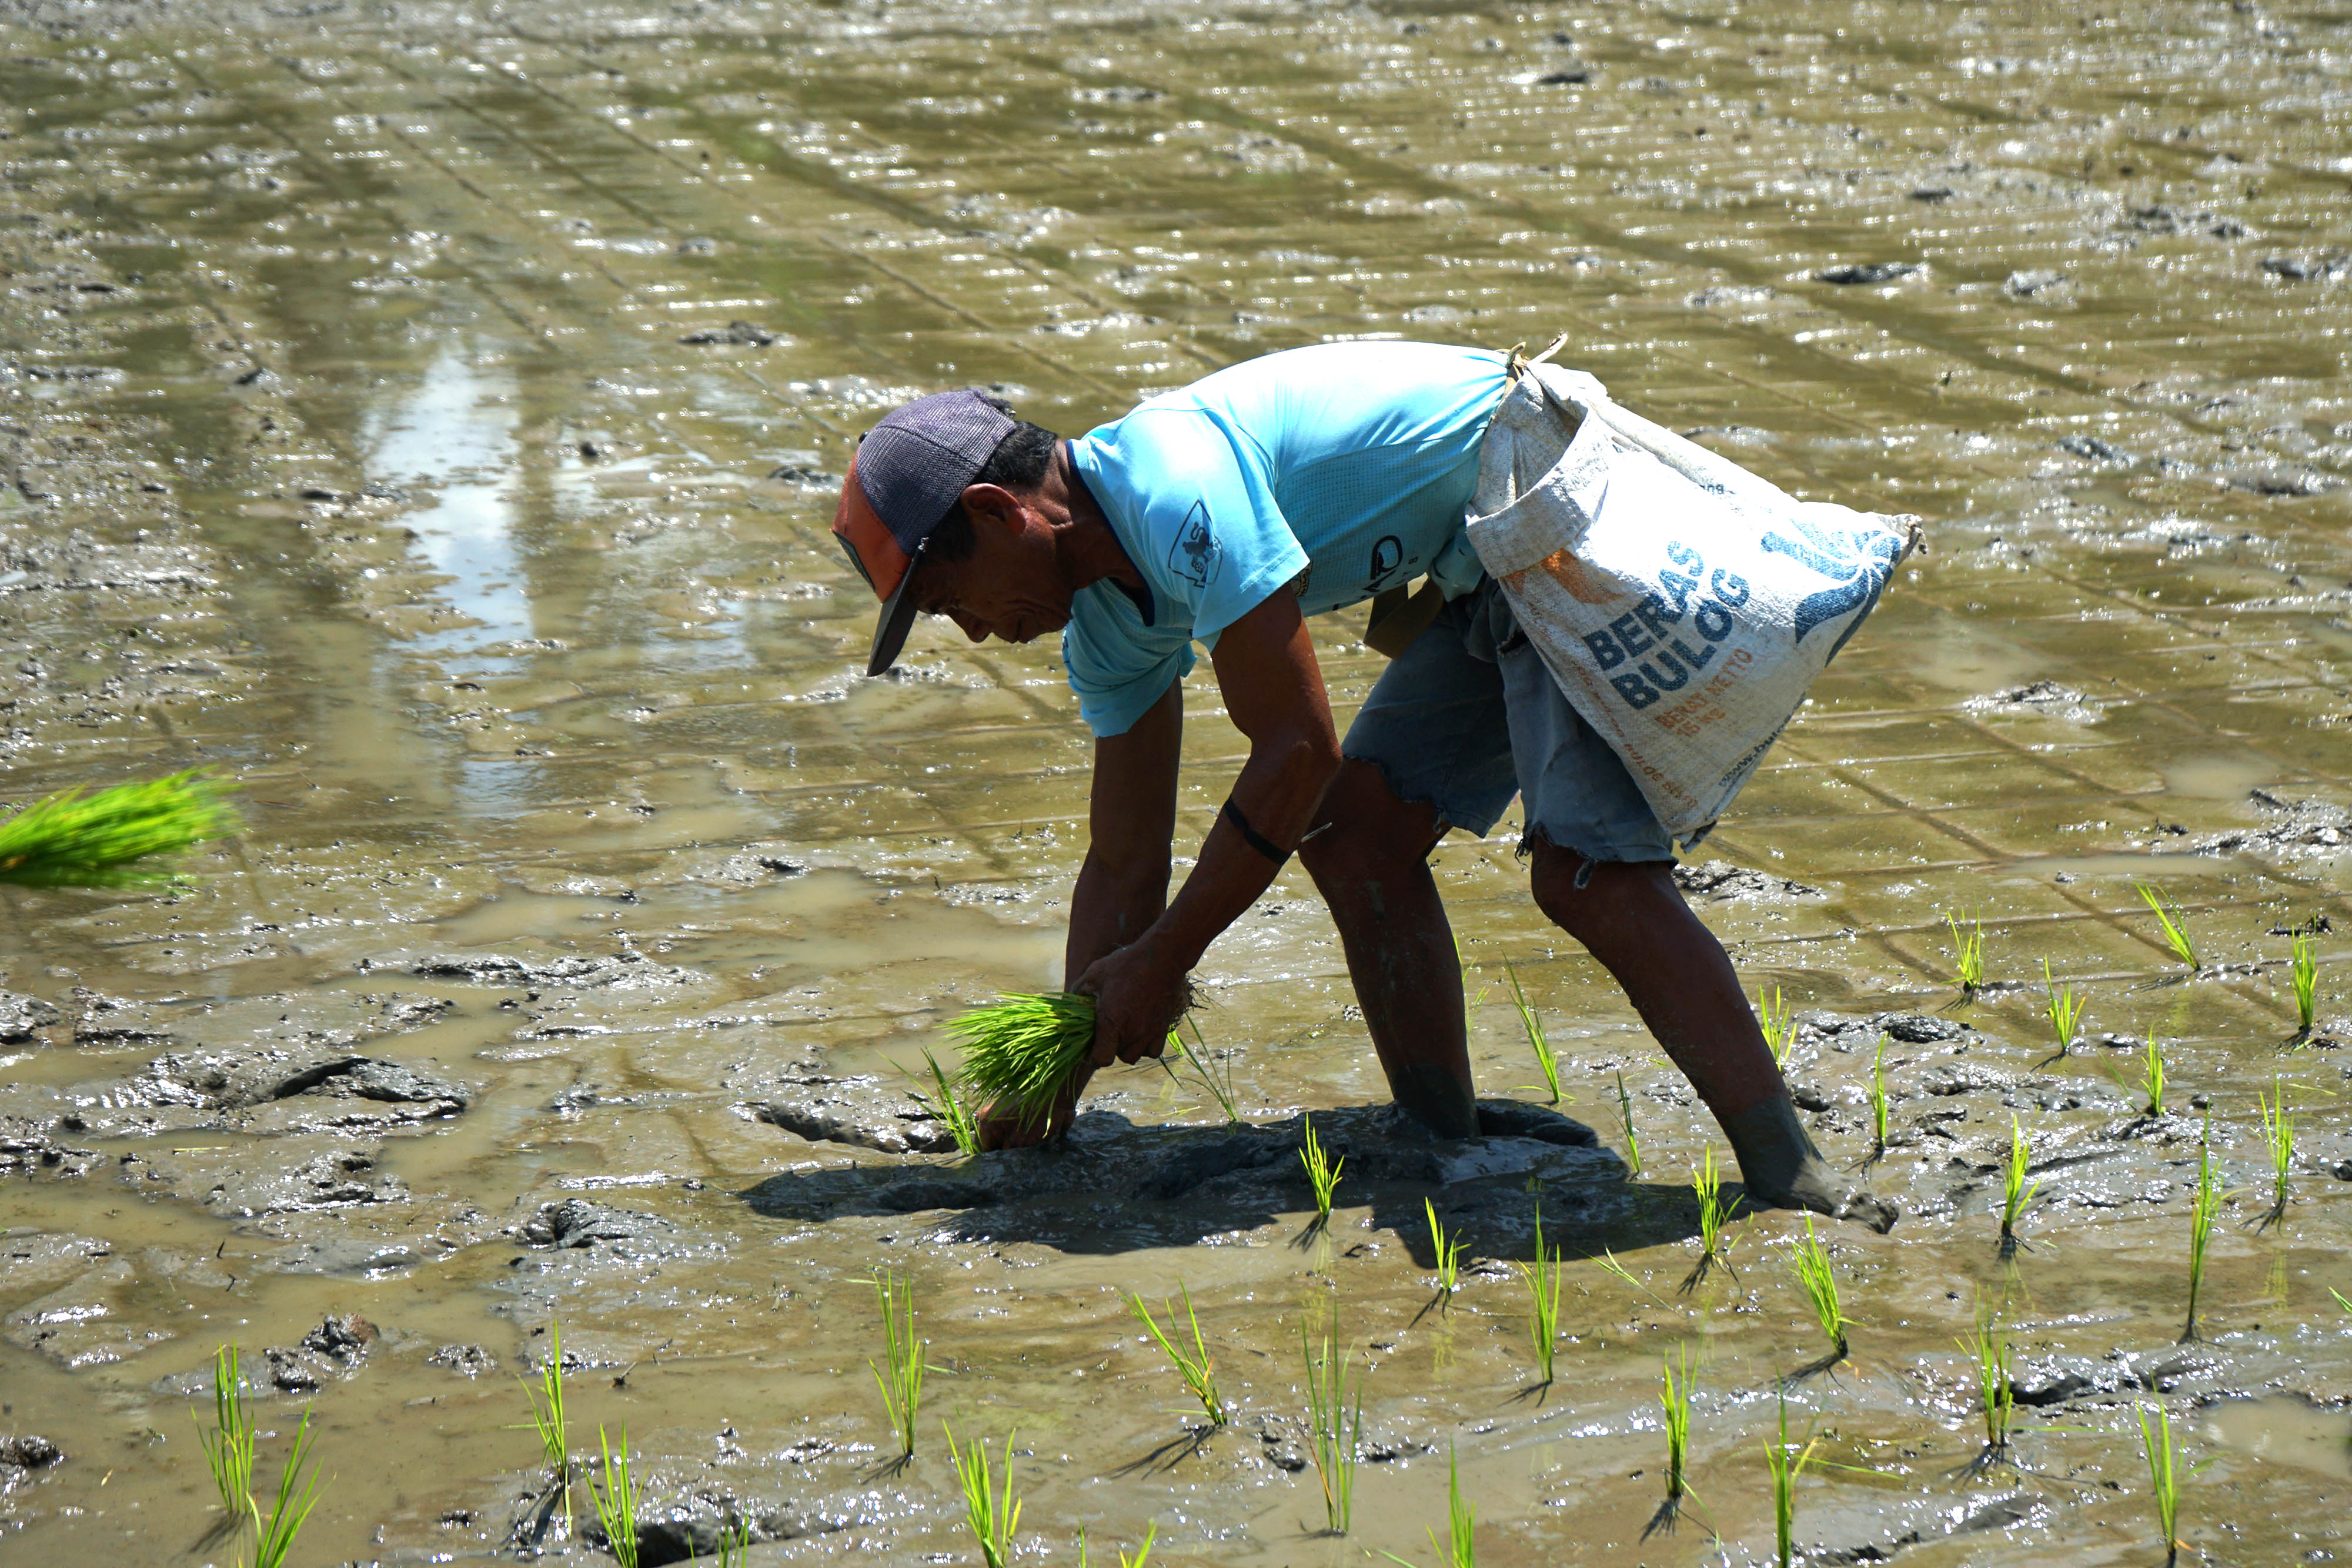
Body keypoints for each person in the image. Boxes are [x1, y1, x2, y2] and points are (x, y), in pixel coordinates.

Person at [831, 340, 1893, 1230]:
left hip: (1547, 508)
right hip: (1480, 570)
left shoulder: (1171, 488)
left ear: (1000, 511)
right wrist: (1060, 1063)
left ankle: (1789, 1172)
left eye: (948, 599)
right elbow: (1123, 858)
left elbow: (1296, 749)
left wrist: (1164, 959)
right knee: (1353, 836)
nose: (970, 631)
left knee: (1584, 875)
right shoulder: (1105, 618)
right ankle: (1445, 1139)